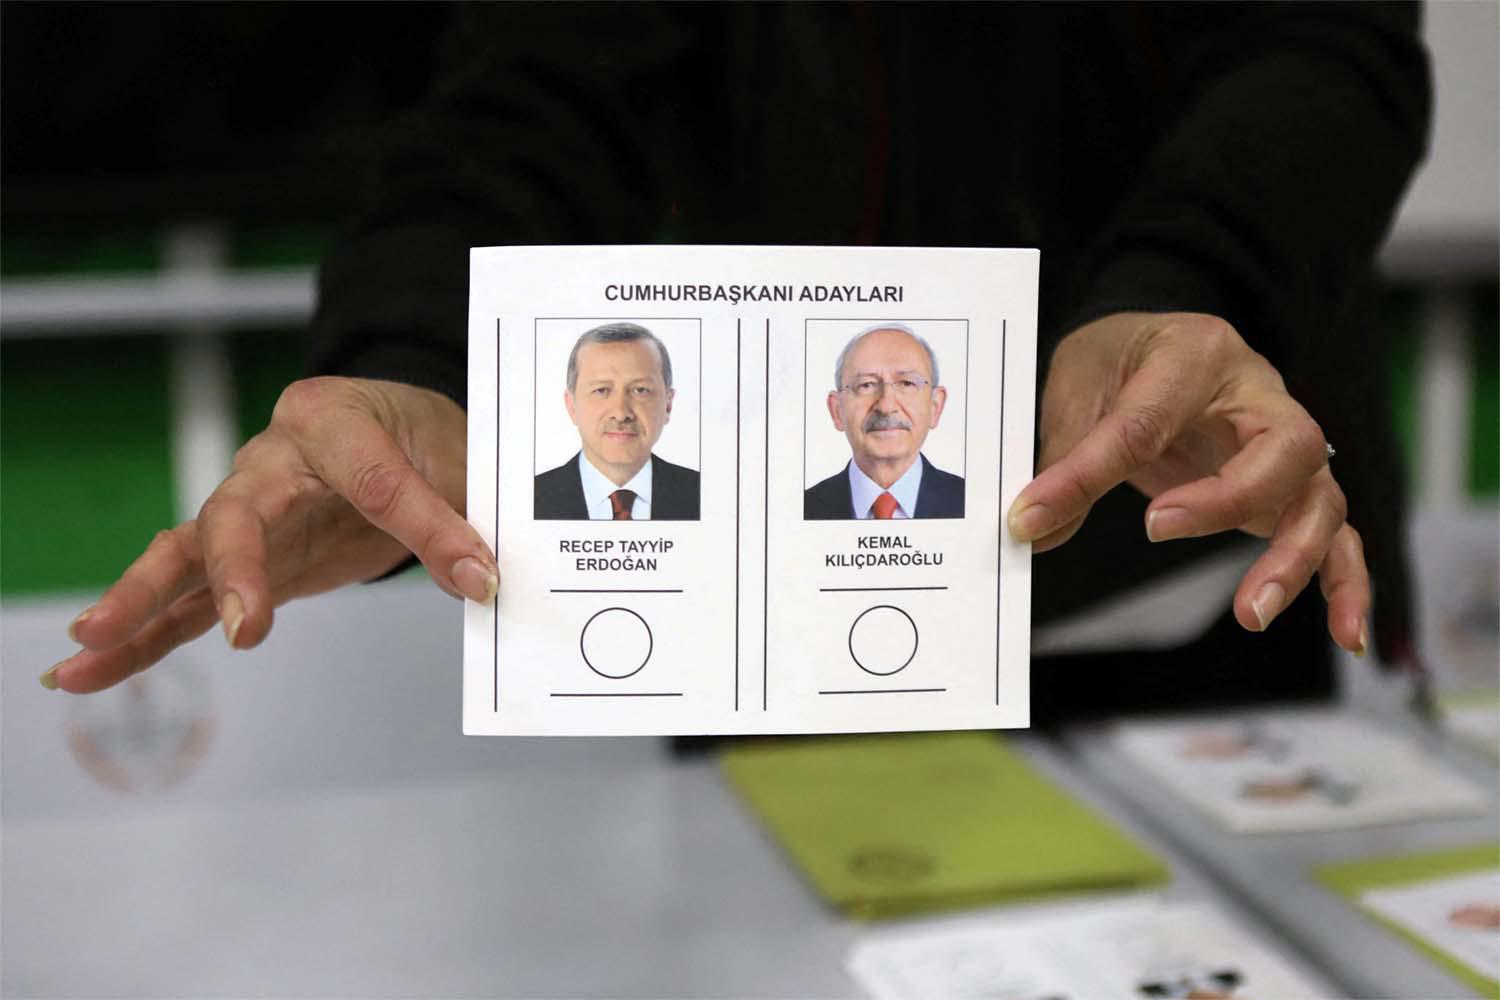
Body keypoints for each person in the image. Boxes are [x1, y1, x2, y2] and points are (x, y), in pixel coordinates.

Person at [40, 6, 1429, 715]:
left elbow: (1320, 49)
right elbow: (530, 99)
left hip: (1196, 574)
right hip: (769, 620)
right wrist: (414, 359)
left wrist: (1184, 295)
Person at [535, 322, 699, 521]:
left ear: (668, 405)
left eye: (640, 390)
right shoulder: (530, 498)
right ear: (572, 406)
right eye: (602, 390)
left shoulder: (706, 495)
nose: (621, 413)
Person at [805, 324, 963, 520]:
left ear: (935, 406)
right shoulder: (802, 509)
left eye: (907, 383)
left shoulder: (972, 503)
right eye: (866, 385)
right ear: (837, 410)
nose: (886, 406)